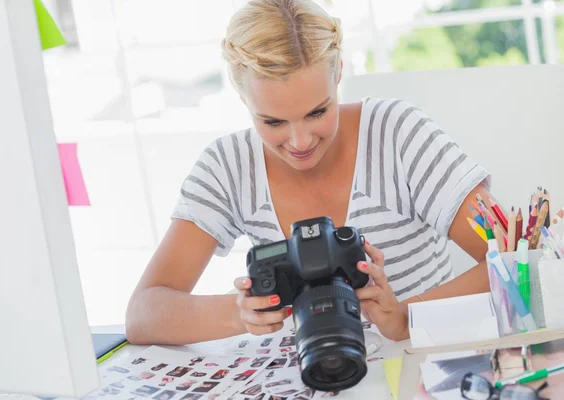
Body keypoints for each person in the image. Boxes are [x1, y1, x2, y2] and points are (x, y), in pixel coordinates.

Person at [125, 0, 491, 345]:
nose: (300, 142)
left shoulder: (398, 134)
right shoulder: (229, 165)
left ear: (339, 74)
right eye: (273, 121)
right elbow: (143, 314)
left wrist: (404, 319)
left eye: (317, 112)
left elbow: (515, 259)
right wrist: (240, 313)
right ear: (241, 96)